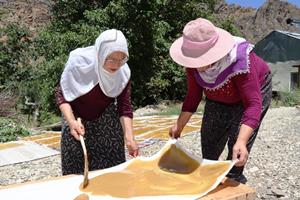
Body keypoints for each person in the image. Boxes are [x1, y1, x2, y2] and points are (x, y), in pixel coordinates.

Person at [168, 18, 272, 183]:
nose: (196, 65)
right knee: (210, 138)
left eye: (201, 59)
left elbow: (253, 104)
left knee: (236, 147)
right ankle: (211, 174)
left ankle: (235, 176)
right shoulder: (192, 65)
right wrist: (179, 125)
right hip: (218, 97)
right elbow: (193, 97)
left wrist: (242, 141)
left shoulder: (240, 60)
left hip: (252, 92)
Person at [55, 29, 139, 175]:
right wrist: (71, 122)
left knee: (112, 172)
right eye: (111, 59)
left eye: (121, 59)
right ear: (100, 54)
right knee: (76, 173)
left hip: (106, 120)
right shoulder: (78, 63)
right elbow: (61, 93)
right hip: (76, 119)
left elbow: (124, 107)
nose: (116, 65)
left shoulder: (123, 73)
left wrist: (129, 138)